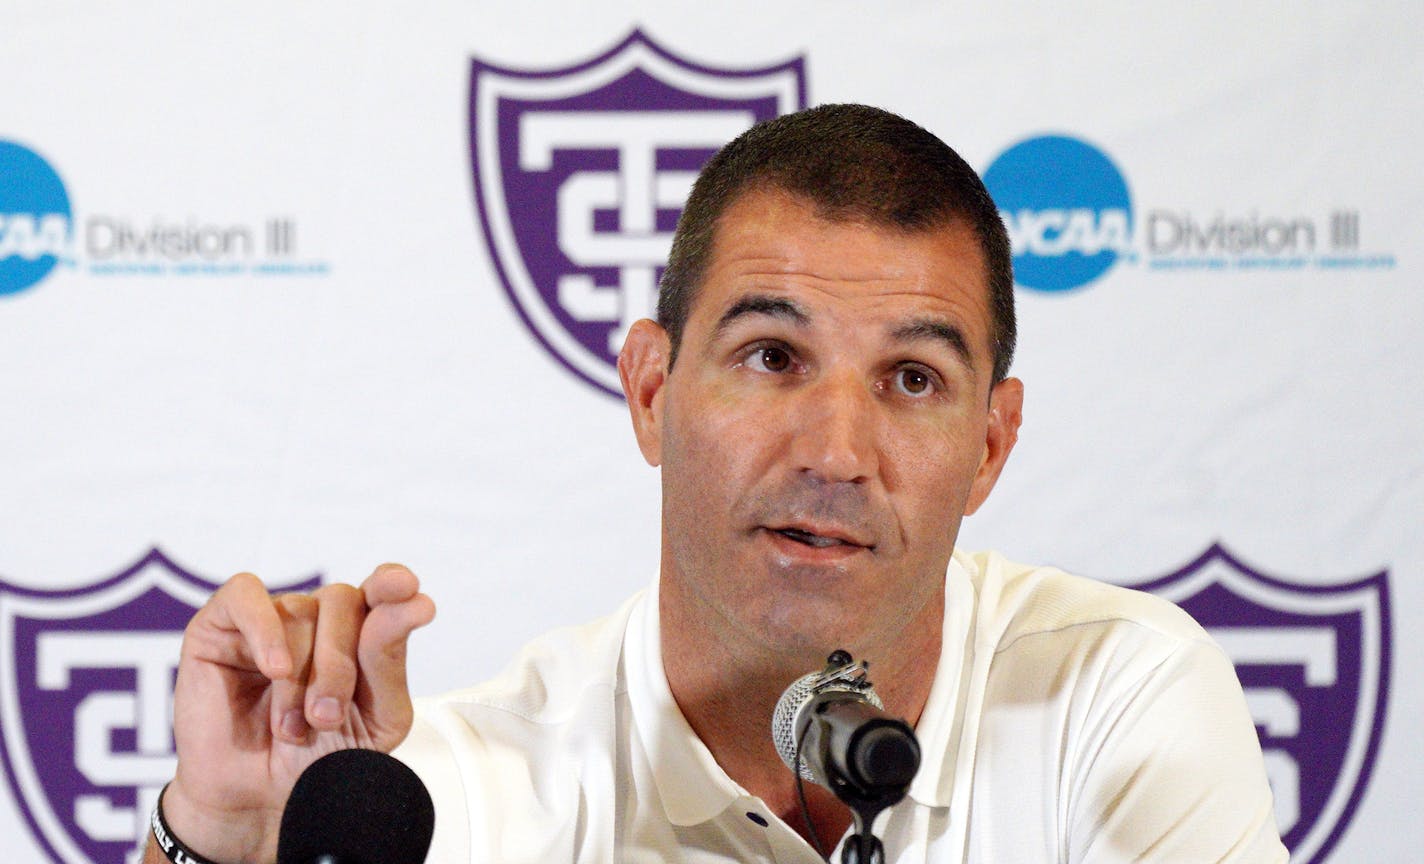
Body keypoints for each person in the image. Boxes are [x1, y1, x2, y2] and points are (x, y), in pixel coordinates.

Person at [144, 104, 1287, 863]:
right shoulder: (458, 796)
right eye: (771, 358)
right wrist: (220, 833)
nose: (835, 453)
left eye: (910, 378)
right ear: (650, 392)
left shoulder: (1115, 698)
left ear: (989, 446)